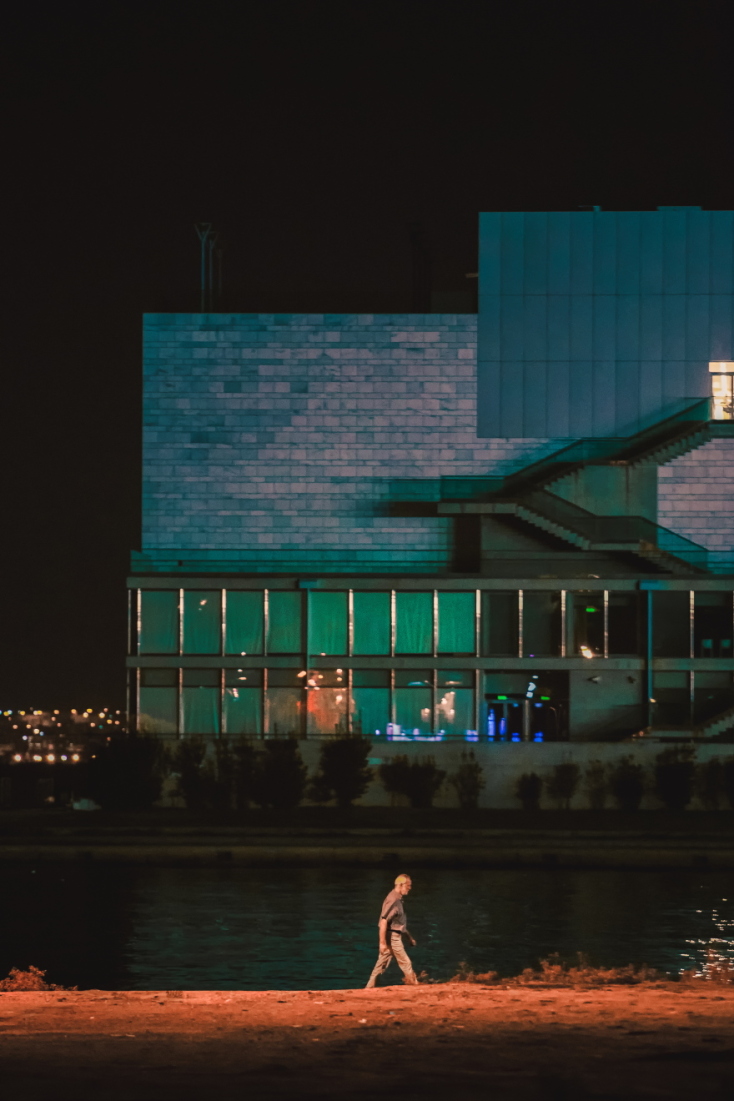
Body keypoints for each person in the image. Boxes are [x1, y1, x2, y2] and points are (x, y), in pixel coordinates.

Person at [364, 873, 419, 988]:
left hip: (392, 936)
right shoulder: (393, 900)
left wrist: (409, 938)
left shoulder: (397, 899)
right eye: (408, 885)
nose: (410, 888)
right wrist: (382, 943)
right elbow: (383, 921)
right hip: (393, 938)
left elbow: (398, 924)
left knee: (381, 965)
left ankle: (369, 988)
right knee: (406, 963)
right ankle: (414, 987)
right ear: (401, 885)